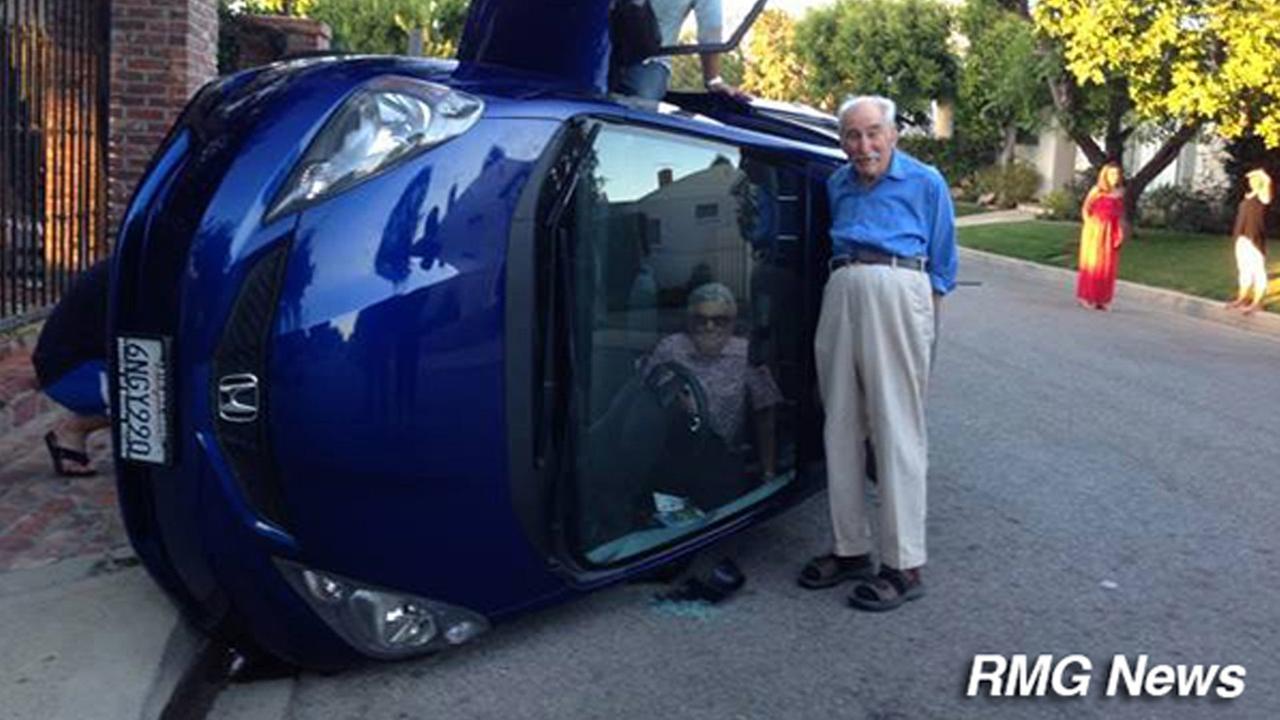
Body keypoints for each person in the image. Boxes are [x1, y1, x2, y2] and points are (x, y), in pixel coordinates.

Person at [800, 95, 956, 612]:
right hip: (841, 288)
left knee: (896, 426)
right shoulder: (838, 183)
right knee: (839, 423)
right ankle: (850, 549)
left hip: (899, 287)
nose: (863, 145)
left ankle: (904, 564)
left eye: (872, 133)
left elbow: (941, 264)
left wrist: (927, 333)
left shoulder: (925, 181)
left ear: (892, 135)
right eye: (852, 135)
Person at [639, 281, 782, 488]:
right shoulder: (670, 348)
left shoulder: (745, 353)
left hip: (722, 456)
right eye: (701, 319)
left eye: (719, 320)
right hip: (671, 452)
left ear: (732, 324)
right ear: (689, 321)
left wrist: (768, 472)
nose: (709, 327)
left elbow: (765, 415)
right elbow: (644, 399)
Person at [32, 259, 111, 476]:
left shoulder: (129, 268)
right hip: (69, 372)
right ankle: (73, 428)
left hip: (75, 364)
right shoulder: (133, 277)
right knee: (158, 397)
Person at [612, 0, 749, 101]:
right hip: (652, 59)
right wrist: (712, 80)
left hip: (601, 46)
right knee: (640, 110)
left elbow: (712, 28)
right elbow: (711, 29)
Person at [1075, 162, 1126, 311]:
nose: (1114, 177)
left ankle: (1102, 299)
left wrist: (1121, 232)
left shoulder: (1120, 192)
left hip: (1111, 230)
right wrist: (1090, 225)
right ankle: (1086, 297)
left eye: (1117, 174)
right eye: (1111, 174)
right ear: (1105, 175)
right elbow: (1086, 208)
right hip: (1095, 229)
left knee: (1107, 265)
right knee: (1093, 264)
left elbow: (1120, 214)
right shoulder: (1097, 190)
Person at [1226, 168, 1272, 314]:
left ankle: (1257, 302)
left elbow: (1268, 183)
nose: (1251, 182)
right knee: (1244, 270)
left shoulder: (1262, 196)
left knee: (1257, 271)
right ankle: (1242, 298)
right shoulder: (1247, 197)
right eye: (1251, 181)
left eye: (1254, 180)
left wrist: (1261, 174)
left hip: (1254, 238)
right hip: (1242, 237)